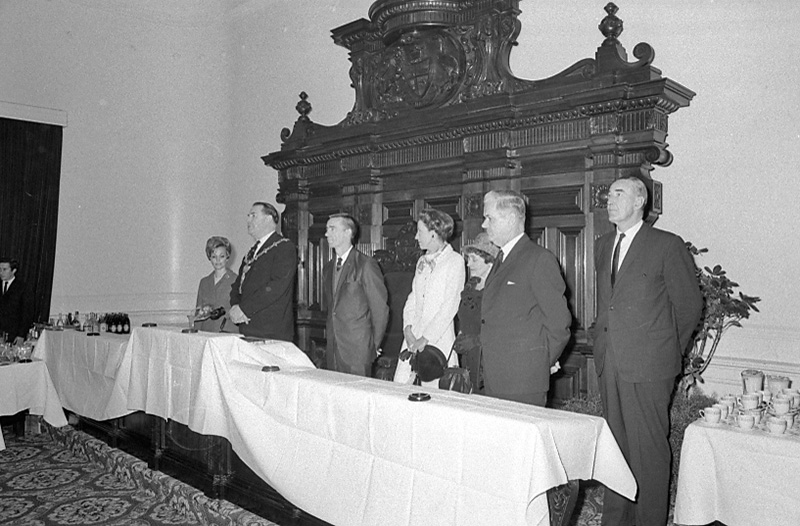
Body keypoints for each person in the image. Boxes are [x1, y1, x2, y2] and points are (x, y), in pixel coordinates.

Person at [593, 176, 702, 526]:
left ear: (640, 201)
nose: (610, 199)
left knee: (649, 452)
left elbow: (689, 307)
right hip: (610, 362)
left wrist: (665, 351)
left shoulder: (666, 245)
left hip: (650, 366)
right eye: (608, 194)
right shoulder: (602, 244)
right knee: (615, 450)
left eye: (619, 193)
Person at [480, 190, 572, 406]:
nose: (484, 225)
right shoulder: (501, 258)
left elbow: (559, 324)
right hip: (495, 376)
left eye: (489, 218)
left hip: (522, 381)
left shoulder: (539, 259)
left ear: (511, 218)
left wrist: (540, 363)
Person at [393, 208, 465, 387]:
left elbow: (451, 305)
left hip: (437, 341)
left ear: (433, 234)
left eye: (420, 232)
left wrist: (425, 339)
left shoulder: (455, 261)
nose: (416, 237)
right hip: (412, 339)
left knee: (435, 397)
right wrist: (408, 330)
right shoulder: (422, 261)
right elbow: (413, 298)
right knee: (401, 391)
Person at [323, 213, 389, 376]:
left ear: (348, 232)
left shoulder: (366, 265)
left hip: (358, 351)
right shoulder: (328, 268)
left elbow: (380, 309)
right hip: (333, 348)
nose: (326, 234)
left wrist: (372, 345)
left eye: (332, 229)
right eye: (326, 229)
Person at [229, 202, 297, 341]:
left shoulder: (283, 247)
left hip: (270, 331)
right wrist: (236, 306)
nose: (248, 220)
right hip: (247, 326)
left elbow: (276, 286)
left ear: (268, 219)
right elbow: (238, 285)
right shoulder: (251, 252)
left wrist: (245, 309)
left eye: (253, 216)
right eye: (248, 216)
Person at [453, 232, 498, 391]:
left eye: (474, 260)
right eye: (468, 259)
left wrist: (476, 341)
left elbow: (503, 329)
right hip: (467, 357)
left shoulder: (497, 291)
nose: (468, 264)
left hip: (487, 360)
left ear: (490, 262)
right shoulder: (470, 287)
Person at [193, 236, 238, 333]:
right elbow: (198, 314)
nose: (218, 260)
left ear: (228, 256)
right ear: (209, 257)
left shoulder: (236, 280)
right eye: (214, 257)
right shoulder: (204, 282)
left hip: (227, 334)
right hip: (206, 333)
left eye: (221, 256)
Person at [0, 257, 31, 346]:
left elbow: (26, 313)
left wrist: (21, 335)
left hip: (14, 334)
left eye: (4, 269)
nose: (1, 272)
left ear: (14, 270)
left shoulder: (23, 288)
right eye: (0, 269)